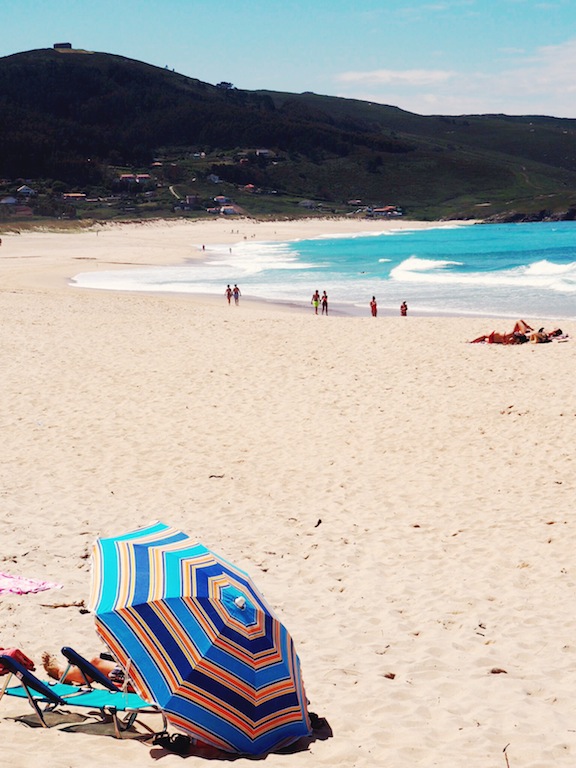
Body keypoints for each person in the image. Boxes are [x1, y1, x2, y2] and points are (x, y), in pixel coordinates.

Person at [41, 650, 133, 690]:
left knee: (96, 664)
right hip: (144, 680)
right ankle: (73, 672)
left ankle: (63, 672)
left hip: (140, 681)